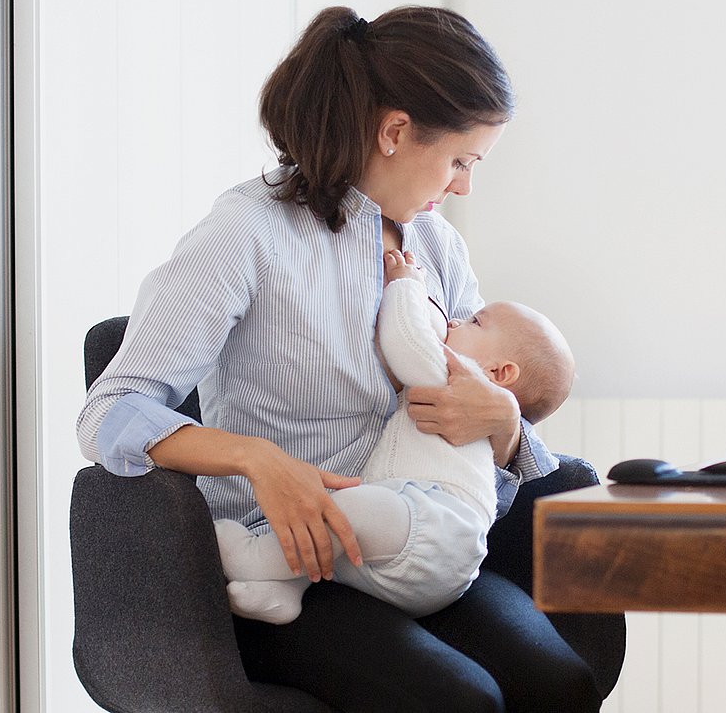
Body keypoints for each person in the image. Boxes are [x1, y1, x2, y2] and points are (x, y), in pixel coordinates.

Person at [77, 5, 604, 712]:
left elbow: (482, 412)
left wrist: (505, 424)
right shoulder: (246, 234)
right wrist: (257, 460)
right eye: (460, 160)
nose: (463, 186)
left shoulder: (438, 248)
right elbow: (112, 412)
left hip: (419, 552)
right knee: (458, 701)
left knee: (561, 686)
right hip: (292, 565)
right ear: (394, 132)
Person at [216, 249, 575, 624]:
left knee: (347, 512)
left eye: (474, 321)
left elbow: (407, 342)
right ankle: (283, 591)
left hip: (436, 523)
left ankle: (253, 556)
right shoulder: (474, 382)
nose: (455, 318)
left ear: (499, 372)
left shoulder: (460, 376)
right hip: (399, 559)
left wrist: (406, 285)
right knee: (345, 533)